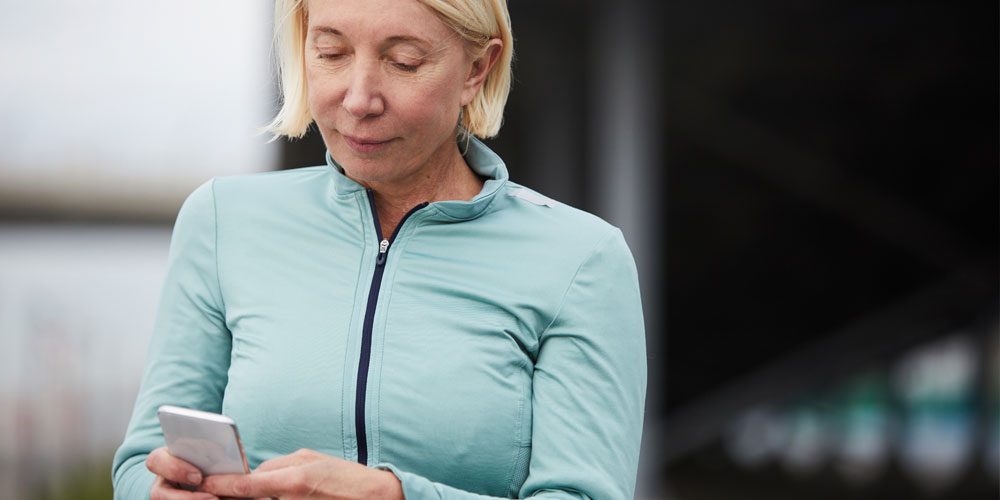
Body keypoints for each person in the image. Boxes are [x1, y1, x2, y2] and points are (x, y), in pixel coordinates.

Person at [112, 0, 647, 498]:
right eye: (331, 53)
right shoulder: (221, 220)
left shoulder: (582, 259)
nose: (359, 99)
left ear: (477, 69)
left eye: (405, 61)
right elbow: (140, 463)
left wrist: (395, 494)